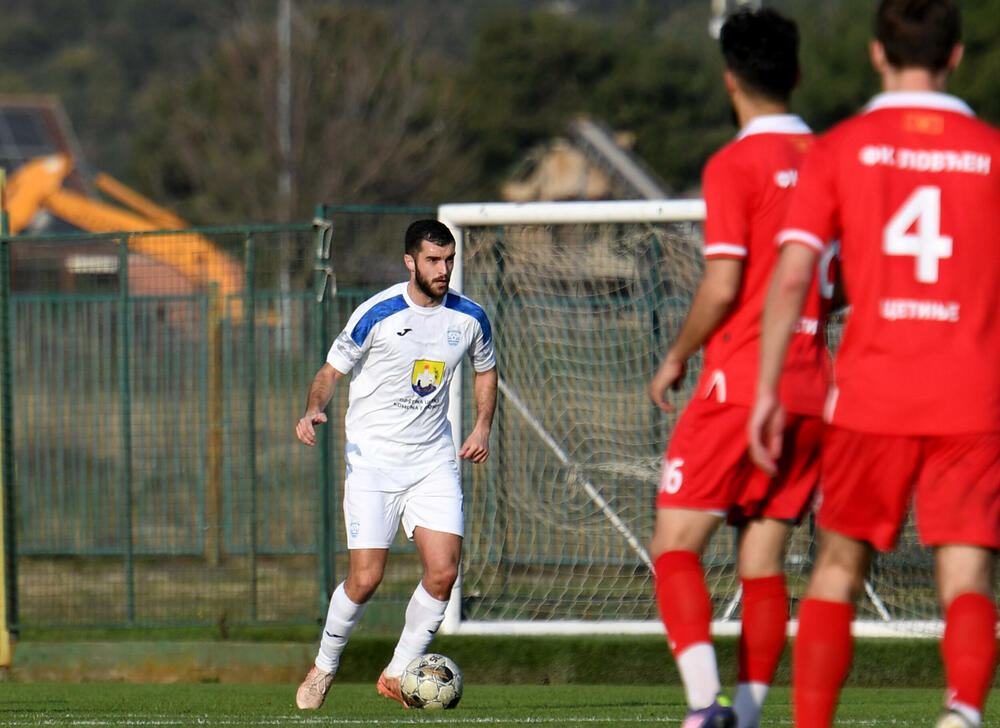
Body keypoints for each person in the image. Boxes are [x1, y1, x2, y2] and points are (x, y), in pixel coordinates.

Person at [748, 2, 1000, 727]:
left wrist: (770, 384)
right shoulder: (989, 150)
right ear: (955, 56)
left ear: (875, 54)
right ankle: (962, 710)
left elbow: (793, 275)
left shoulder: (841, 148)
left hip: (873, 394)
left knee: (837, 567)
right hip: (973, 394)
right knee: (967, 570)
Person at [648, 8, 829, 728]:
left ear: (730, 82)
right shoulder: (829, 157)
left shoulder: (735, 164)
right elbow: (838, 281)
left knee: (674, 546)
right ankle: (748, 717)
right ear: (798, 74)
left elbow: (723, 283)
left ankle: (704, 705)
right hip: (813, 383)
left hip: (739, 384)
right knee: (762, 560)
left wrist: (677, 355)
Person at [294, 219, 498, 710]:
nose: (443, 269)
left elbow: (486, 369)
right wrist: (312, 407)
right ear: (410, 261)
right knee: (365, 579)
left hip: (433, 462)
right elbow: (329, 370)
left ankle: (395, 672)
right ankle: (324, 668)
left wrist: (482, 426)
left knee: (444, 573)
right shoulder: (378, 313)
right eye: (432, 260)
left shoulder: (470, 317)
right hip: (373, 464)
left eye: (448, 260)